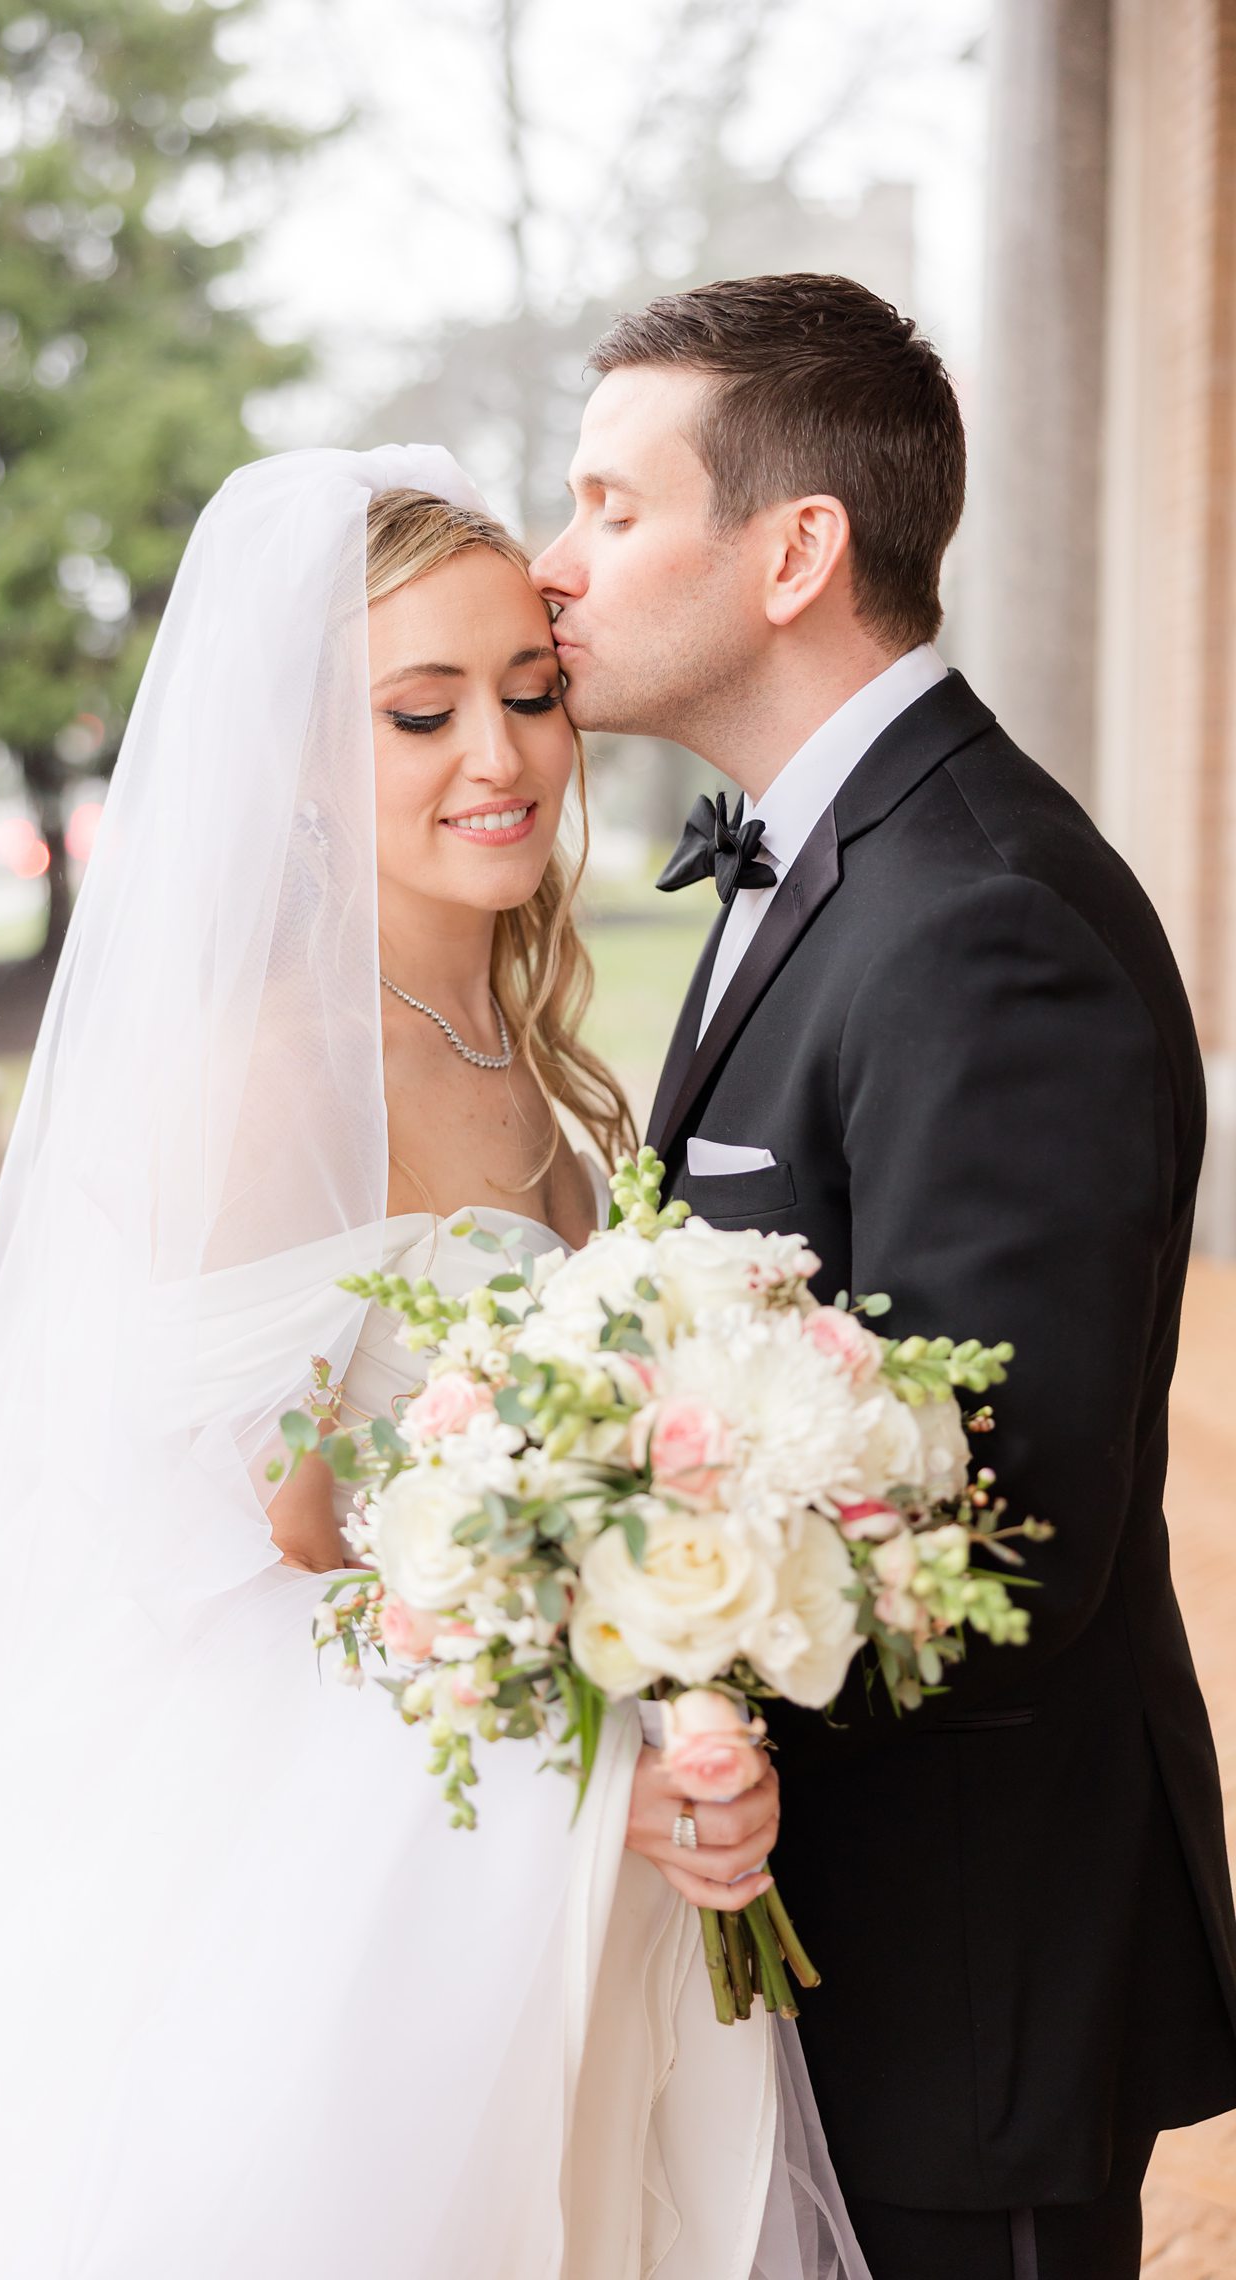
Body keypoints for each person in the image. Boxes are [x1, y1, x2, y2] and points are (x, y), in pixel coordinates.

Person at [0, 447, 868, 2279]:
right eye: (417, 715)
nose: (495, 760)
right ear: (303, 771)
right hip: (344, 1893)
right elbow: (209, 1580)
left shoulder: (524, 1043)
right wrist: (584, 1780)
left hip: (561, 1851)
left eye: (529, 693)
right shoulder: (252, 1090)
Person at [532, 270, 1236, 2280]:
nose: (559, 567)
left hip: (956, 1975)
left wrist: (684, 1702)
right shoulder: (824, 858)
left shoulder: (978, 922)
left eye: (610, 506)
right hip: (816, 1952)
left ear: (792, 552)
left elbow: (1008, 1541)